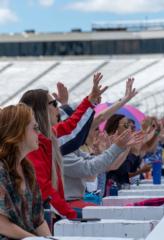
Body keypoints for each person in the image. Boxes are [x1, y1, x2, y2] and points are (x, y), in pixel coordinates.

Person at [20, 73, 107, 219]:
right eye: (54, 104)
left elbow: (71, 127)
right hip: (39, 214)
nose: (58, 108)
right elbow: (74, 133)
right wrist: (68, 213)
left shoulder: (45, 137)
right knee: (97, 217)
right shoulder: (35, 143)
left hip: (49, 210)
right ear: (42, 110)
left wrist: (90, 101)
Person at [0, 104, 51, 239]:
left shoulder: (27, 169)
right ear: (18, 131)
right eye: (34, 128)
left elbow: (38, 220)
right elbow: (2, 224)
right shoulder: (1, 170)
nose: (39, 133)